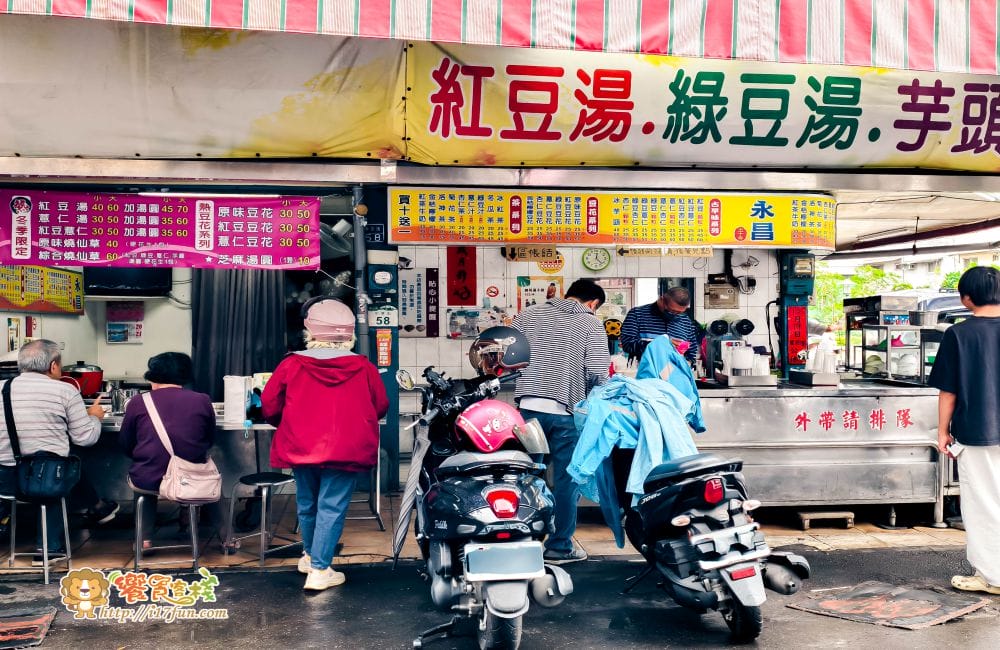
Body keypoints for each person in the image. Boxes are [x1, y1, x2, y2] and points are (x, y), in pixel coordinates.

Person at [263, 298, 388, 591]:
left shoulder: (291, 363)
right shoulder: (363, 367)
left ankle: (310, 557)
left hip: (301, 446)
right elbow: (380, 406)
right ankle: (319, 569)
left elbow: (269, 406)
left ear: (311, 331)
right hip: (347, 447)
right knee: (331, 505)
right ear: (349, 335)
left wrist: (291, 422)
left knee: (307, 503)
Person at [513, 279, 610, 564]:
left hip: (527, 410)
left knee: (527, 477)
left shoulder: (529, 314)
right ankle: (559, 547)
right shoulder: (590, 323)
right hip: (565, 412)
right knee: (568, 480)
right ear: (592, 303)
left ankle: (523, 540)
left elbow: (507, 354)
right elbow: (597, 371)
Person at [0, 340, 109, 560]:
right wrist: (94, 417)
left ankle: (98, 507)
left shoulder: (2, 387)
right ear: (53, 366)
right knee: (63, 466)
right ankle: (48, 548)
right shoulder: (64, 391)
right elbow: (86, 438)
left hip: (4, 479)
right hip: (45, 482)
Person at [928, 266, 1000, 595]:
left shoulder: (959, 334)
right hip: (982, 431)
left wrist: (942, 430)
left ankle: (993, 576)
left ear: (966, 298)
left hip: (979, 430)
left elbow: (949, 391)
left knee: (985, 503)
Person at [118, 352, 216, 551]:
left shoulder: (138, 402)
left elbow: (125, 442)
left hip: (148, 477)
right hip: (192, 477)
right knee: (212, 481)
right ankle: (226, 538)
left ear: (153, 376)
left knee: (144, 482)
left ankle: (144, 540)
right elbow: (209, 439)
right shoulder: (202, 400)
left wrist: (145, 457)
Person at [620, 286, 699, 364]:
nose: (675, 315)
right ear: (661, 300)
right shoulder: (637, 314)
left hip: (674, 374)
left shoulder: (685, 320)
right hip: (642, 372)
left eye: (679, 312)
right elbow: (627, 345)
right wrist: (662, 345)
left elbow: (691, 352)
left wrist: (687, 363)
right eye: (671, 311)